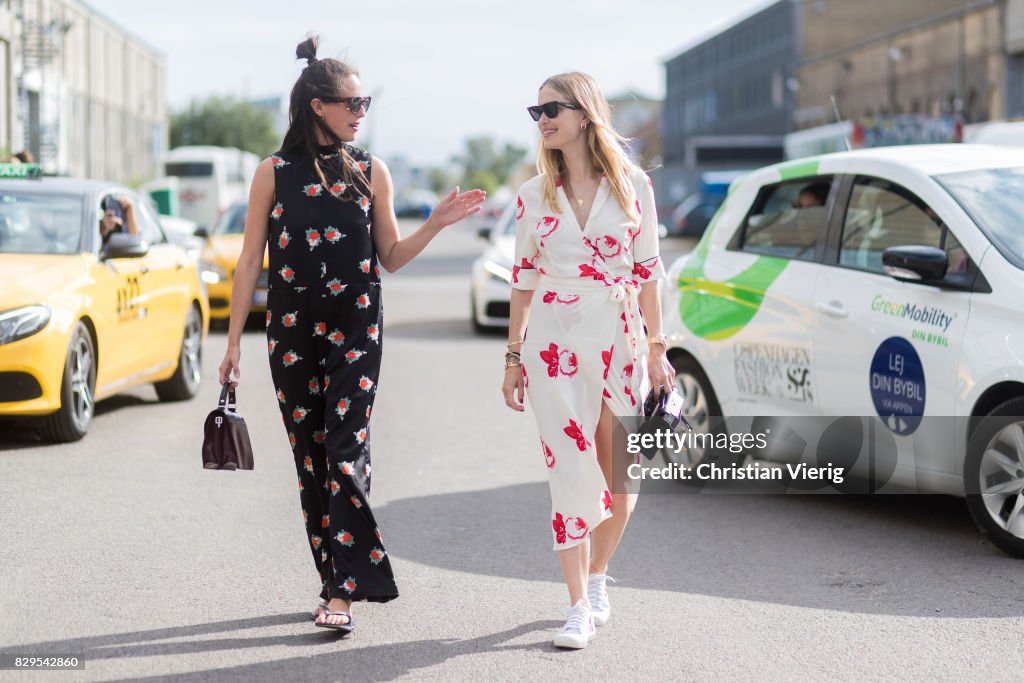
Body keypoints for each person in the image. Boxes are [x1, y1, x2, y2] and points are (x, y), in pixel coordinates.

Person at [217, 35, 485, 634]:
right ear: (317, 104)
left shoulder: (371, 170)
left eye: (366, 103)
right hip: (289, 331)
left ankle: (342, 591)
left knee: (344, 452)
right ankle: (329, 579)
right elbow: (247, 262)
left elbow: (389, 255)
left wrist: (436, 224)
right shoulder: (274, 173)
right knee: (310, 460)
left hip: (357, 328)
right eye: (352, 103)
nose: (362, 112)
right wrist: (233, 343)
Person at [501, 72, 673, 649]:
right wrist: (513, 356)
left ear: (585, 113)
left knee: (620, 483)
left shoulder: (633, 186)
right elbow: (523, 280)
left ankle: (598, 576)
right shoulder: (532, 195)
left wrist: (656, 348)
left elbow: (648, 272)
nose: (543, 118)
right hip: (553, 346)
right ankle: (576, 606)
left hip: (619, 338)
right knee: (569, 470)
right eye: (537, 110)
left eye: (553, 108)